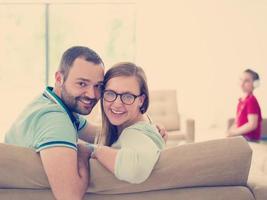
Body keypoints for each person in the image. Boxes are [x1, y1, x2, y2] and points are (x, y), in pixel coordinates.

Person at [4, 46, 167, 199]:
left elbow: (97, 133)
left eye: (98, 86)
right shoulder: (55, 120)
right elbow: (69, 196)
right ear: (59, 78)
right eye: (82, 83)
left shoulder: (49, 105)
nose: (92, 94)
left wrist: (147, 130)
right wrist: (86, 151)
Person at [89, 62, 165, 184]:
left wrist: (93, 150)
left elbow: (136, 170)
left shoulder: (135, 133)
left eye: (128, 96)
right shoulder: (138, 123)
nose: (117, 103)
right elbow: (85, 129)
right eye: (110, 93)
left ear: (141, 100)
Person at [227, 69, 262, 141]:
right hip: (242, 137)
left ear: (255, 84)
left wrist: (234, 132)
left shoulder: (251, 100)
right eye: (241, 79)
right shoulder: (241, 100)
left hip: (250, 139)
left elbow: (252, 124)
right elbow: (237, 121)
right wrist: (230, 132)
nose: (242, 83)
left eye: (246, 81)